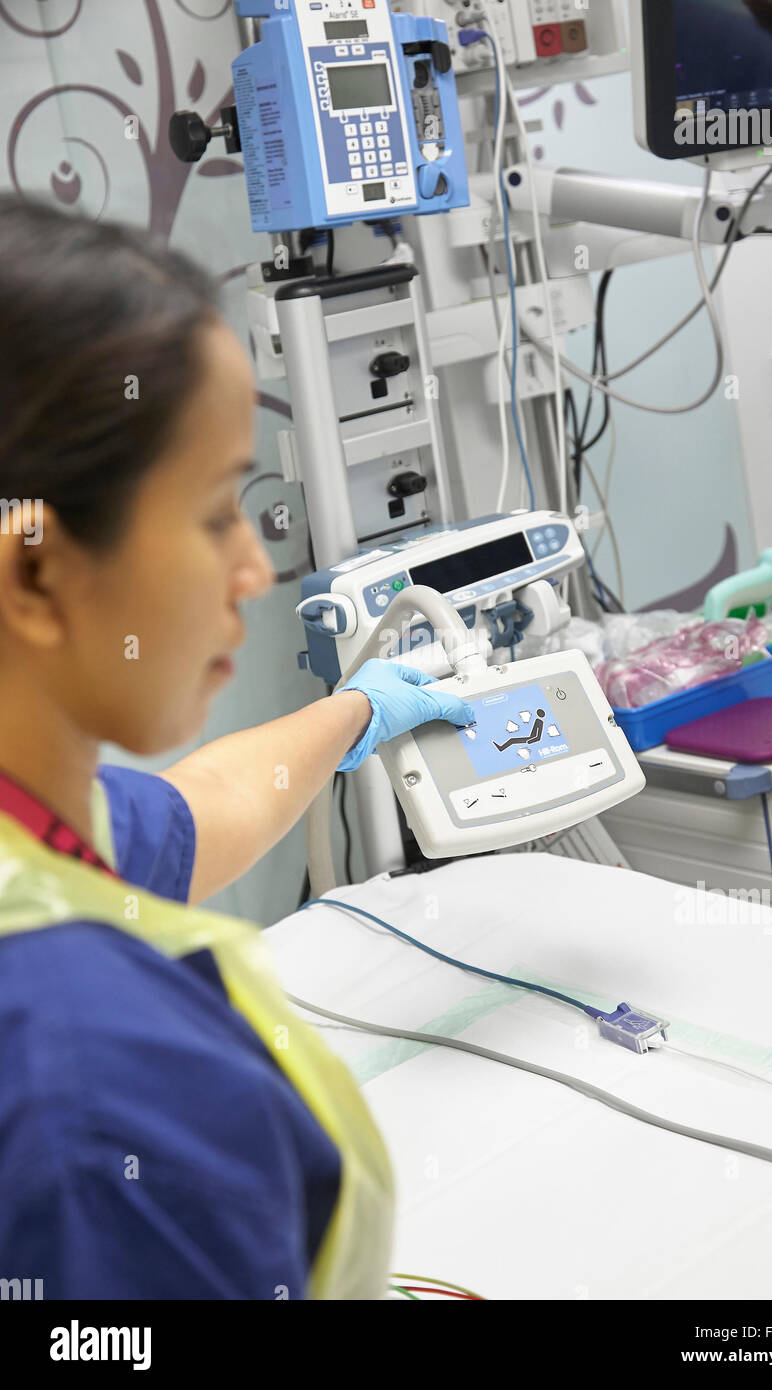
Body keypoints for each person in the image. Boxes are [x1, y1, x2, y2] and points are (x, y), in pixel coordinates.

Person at [0, 195, 473, 1299]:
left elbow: (196, 809)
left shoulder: (40, 836)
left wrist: (362, 710)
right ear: (35, 571)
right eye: (217, 511)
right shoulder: (93, 1081)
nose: (253, 573)